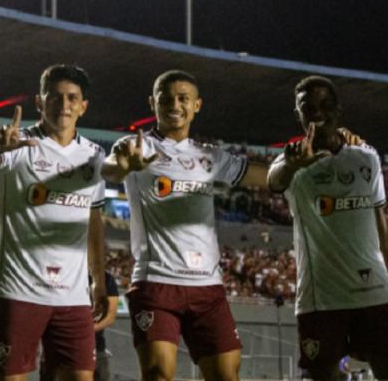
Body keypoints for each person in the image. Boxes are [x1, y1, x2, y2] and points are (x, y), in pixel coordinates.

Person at [101, 70, 269, 381]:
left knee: (227, 377)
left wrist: (301, 165)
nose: (174, 104)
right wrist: (125, 164)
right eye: (166, 98)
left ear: (197, 105)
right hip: (157, 282)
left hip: (208, 287)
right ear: (153, 103)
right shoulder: (136, 146)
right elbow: (111, 169)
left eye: (183, 98)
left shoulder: (209, 155)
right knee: (157, 375)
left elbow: (267, 178)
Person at [267, 75, 388, 381]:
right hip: (321, 300)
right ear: (298, 114)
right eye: (309, 106)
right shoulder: (292, 166)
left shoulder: (366, 158)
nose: (319, 111)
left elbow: (379, 221)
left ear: (339, 110)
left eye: (326, 104)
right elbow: (273, 181)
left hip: (376, 293)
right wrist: (293, 164)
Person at [0, 64, 107, 380]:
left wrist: (100, 280)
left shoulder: (95, 155)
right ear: (40, 102)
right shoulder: (18, 144)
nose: (64, 105)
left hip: (73, 298)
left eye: (72, 98)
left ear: (83, 106)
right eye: (55, 97)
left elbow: (94, 219)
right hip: (20, 292)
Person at [40, 271, 120, 381]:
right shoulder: (61, 274)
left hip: (96, 348)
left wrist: (83, 330)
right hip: (57, 348)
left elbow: (110, 317)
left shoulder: (105, 279)